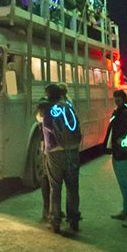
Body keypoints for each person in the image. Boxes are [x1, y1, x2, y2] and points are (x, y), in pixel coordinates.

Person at [36, 83, 82, 234]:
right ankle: (73, 220)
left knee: (55, 188)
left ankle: (55, 220)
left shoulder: (48, 110)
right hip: (73, 150)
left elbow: (44, 126)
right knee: (72, 187)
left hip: (55, 152)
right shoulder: (68, 106)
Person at [104, 89, 127, 228]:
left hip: (124, 155)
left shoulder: (125, 113)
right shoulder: (119, 111)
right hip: (118, 154)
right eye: (115, 99)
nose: (116, 101)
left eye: (118, 99)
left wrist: (124, 141)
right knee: (124, 185)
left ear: (123, 99)